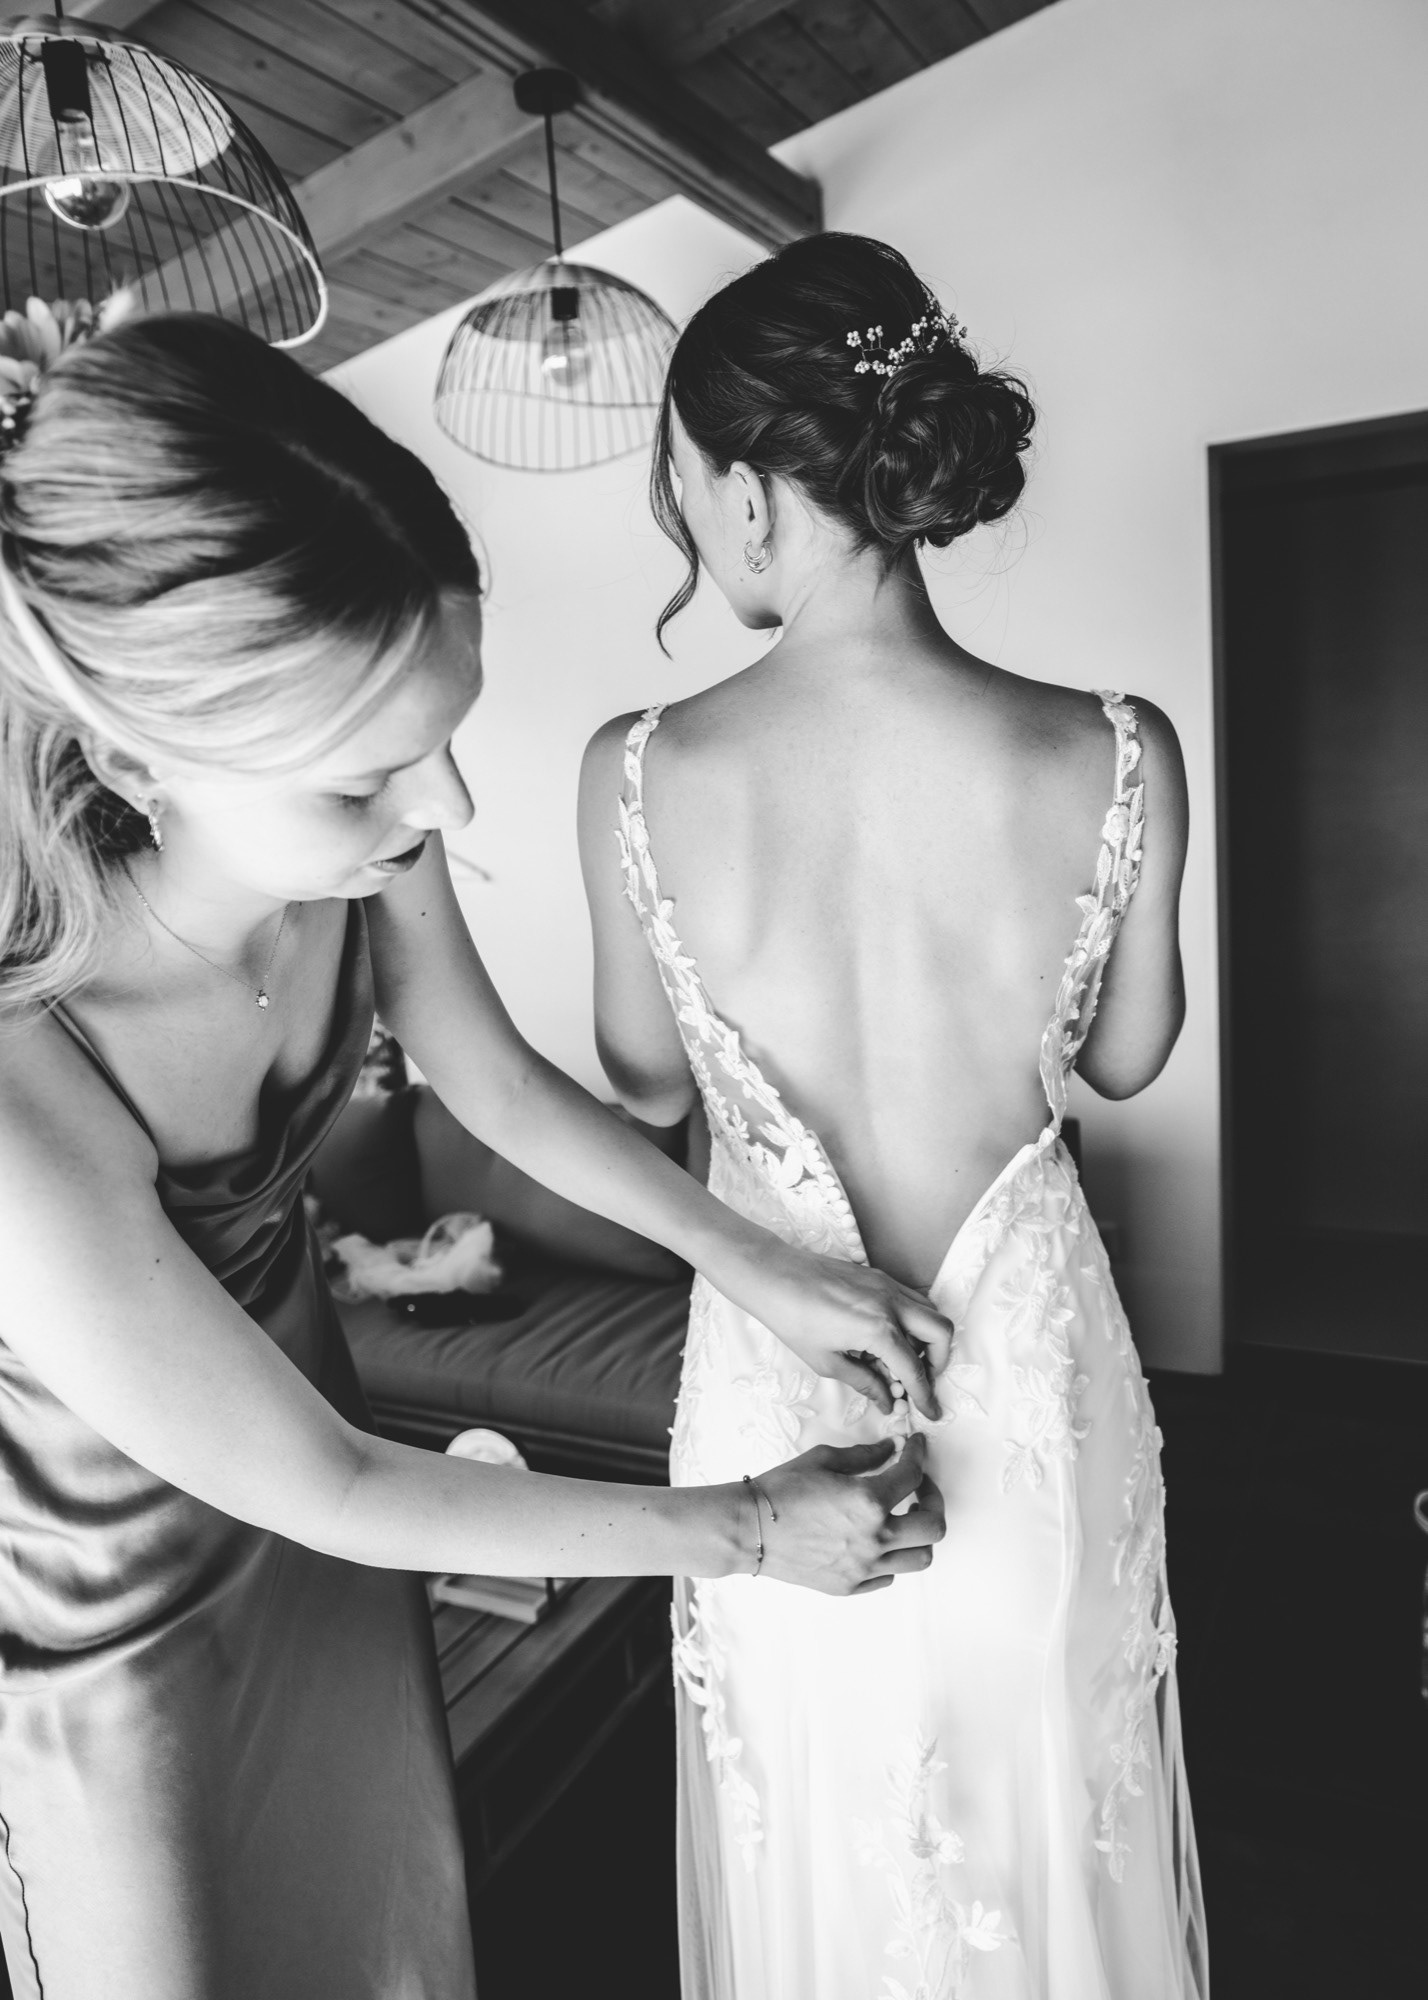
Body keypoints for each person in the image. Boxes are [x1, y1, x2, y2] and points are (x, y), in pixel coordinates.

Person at [0, 304, 952, 2000]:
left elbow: (494, 1085)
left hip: (330, 1554)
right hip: (120, 1634)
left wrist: (761, 1267)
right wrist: (747, 1531)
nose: (444, 806)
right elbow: (334, 1483)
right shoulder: (25, 1078)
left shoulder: (359, 848)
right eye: (369, 777)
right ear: (140, 758)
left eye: (448, 733)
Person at [579, 233, 1209, 1999]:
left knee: (814, 1836)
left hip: (777, 1398)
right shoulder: (1119, 747)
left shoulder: (635, 772)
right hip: (1031, 1384)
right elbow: (1129, 1057)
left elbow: (643, 1081)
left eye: (685, 484)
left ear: (748, 492)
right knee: (1053, 1823)